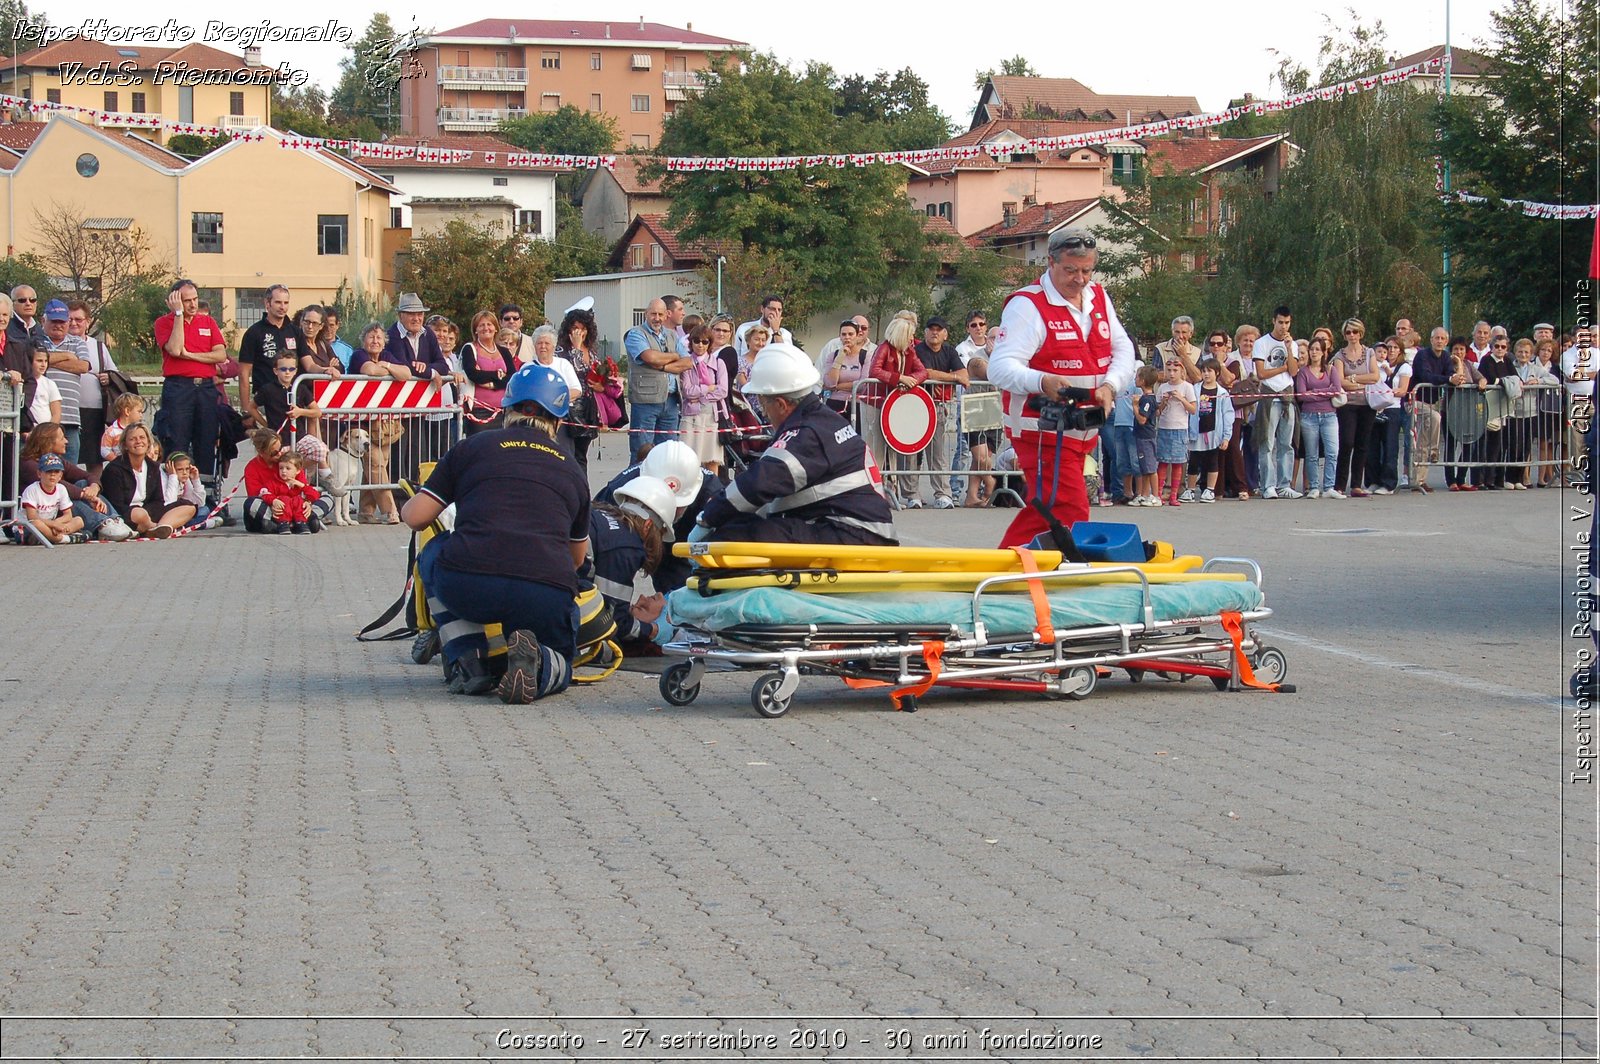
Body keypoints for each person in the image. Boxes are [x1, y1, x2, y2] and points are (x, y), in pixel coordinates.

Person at [401, 363, 591, 704]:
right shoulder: (572, 469)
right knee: (564, 659)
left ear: (505, 409)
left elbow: (416, 518)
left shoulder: (472, 447)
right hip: (542, 593)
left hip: (470, 582)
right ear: (559, 420)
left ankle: (469, 658)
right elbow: (576, 558)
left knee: (435, 551)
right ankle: (541, 663)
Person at [986, 227, 1135, 545]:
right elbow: (999, 368)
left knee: (1051, 511)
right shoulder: (1027, 305)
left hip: (1082, 430)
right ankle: (1010, 573)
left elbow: (1123, 349)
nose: (1080, 279)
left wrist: (1110, 385)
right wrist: (1041, 381)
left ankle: (1012, 571)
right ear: (1050, 263)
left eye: (1086, 270)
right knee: (1067, 507)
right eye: (1070, 270)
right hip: (1042, 431)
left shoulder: (1098, 297)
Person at [694, 344, 897, 546]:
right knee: (752, 525)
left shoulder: (805, 433)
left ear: (781, 404)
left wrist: (708, 516)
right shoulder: (824, 421)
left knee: (733, 536)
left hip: (852, 533)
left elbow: (761, 481)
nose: (764, 413)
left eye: (764, 405)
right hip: (859, 529)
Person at [596, 440, 720, 594]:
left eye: (677, 506)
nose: (668, 512)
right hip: (632, 533)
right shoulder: (620, 489)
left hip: (682, 548)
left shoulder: (713, 496)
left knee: (680, 596)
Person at [582, 476, 678, 651]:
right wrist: (653, 631)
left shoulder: (600, 513)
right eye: (660, 534)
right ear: (649, 525)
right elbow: (612, 619)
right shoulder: (626, 546)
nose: (641, 598)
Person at [154, 280, 227, 492]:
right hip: (179, 387)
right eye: (187, 301)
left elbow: (221, 354)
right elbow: (176, 350)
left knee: (206, 439)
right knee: (177, 439)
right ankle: (174, 491)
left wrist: (192, 355)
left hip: (205, 387)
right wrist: (178, 315)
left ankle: (205, 491)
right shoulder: (164, 322)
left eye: (195, 299)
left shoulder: (208, 322)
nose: (193, 305)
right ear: (175, 301)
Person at [17, 422, 130, 540]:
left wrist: (94, 487)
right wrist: (86, 495)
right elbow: (57, 484)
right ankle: (102, 524)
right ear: (48, 442)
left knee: (83, 483)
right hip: (41, 516)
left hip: (58, 515)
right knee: (72, 497)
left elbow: (87, 475)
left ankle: (115, 519)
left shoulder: (58, 460)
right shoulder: (29, 464)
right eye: (62, 438)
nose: (66, 441)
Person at [863, 315, 927, 509]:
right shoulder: (884, 348)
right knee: (876, 449)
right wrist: (900, 378)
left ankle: (890, 491)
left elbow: (923, 371)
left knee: (892, 450)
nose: (912, 339)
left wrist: (911, 380)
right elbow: (874, 372)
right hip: (875, 404)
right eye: (909, 335)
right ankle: (871, 492)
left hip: (893, 405)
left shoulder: (908, 352)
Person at [624, 297, 692, 457]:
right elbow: (649, 357)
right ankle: (640, 482)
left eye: (660, 314)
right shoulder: (635, 334)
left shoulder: (672, 335)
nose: (657, 318)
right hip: (645, 402)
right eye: (653, 314)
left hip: (671, 401)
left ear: (666, 315)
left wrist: (662, 366)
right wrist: (675, 356)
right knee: (642, 452)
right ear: (646, 314)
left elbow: (688, 362)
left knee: (668, 453)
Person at [913, 316, 969, 509]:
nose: (935, 332)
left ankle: (942, 494)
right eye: (931, 329)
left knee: (938, 454)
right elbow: (927, 373)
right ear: (925, 332)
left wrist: (949, 378)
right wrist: (952, 378)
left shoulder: (950, 351)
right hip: (915, 406)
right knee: (913, 452)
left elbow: (965, 375)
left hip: (937, 407)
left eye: (939, 329)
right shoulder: (919, 350)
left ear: (945, 334)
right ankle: (913, 495)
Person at [99, 422, 191, 538]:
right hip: (125, 514)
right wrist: (143, 514)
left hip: (146, 510)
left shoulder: (153, 467)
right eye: (132, 439)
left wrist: (149, 512)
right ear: (125, 445)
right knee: (139, 513)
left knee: (188, 506)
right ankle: (154, 527)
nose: (138, 441)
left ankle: (159, 527)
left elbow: (158, 500)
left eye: (142, 437)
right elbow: (116, 505)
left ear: (148, 443)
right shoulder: (114, 469)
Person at [1253, 306, 1300, 499]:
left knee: (1286, 444)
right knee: (1267, 443)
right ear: (1274, 321)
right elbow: (1262, 373)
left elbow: (1294, 371)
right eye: (1280, 322)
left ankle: (1284, 484)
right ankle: (1268, 485)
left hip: (1287, 396)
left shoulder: (1293, 345)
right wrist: (1283, 368)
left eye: (1287, 322)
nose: (1283, 326)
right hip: (1270, 396)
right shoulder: (1261, 343)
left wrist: (1289, 349)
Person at [65, 301, 116, 474]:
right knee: (66, 459)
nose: (73, 323)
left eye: (78, 319)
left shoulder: (99, 346)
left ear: (88, 321)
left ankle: (95, 494)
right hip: (67, 411)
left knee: (94, 459)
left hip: (93, 411)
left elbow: (114, 373)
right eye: (69, 319)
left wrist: (108, 377)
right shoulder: (58, 343)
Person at [1331, 318, 1380, 497]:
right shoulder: (1339, 356)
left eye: (1355, 332)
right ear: (1344, 335)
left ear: (1361, 333)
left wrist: (1353, 380)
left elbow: (1375, 376)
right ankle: (1340, 485)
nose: (1352, 335)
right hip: (1347, 404)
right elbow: (1340, 381)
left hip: (1367, 403)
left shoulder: (1369, 353)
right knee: (1346, 442)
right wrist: (1360, 381)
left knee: (1362, 444)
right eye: (1348, 332)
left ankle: (1356, 485)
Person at [237, 285, 297, 431]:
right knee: (269, 449)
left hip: (292, 401)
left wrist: (325, 369)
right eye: (278, 302)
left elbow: (307, 362)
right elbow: (244, 373)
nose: (282, 307)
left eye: (286, 303)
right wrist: (246, 411)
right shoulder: (254, 332)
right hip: (263, 403)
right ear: (267, 303)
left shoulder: (295, 331)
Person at [38, 300, 87, 465]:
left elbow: (83, 366)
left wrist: (46, 359)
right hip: (41, 419)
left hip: (71, 418)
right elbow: (32, 361)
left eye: (62, 321)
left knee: (69, 470)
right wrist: (67, 355)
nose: (58, 325)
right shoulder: (37, 340)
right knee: (40, 468)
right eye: (54, 321)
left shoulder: (78, 342)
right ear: (43, 321)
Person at [556, 304, 604, 475]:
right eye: (575, 328)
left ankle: (583, 492)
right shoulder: (561, 350)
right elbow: (572, 372)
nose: (579, 333)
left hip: (589, 409)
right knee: (568, 454)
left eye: (583, 329)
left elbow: (595, 375)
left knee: (582, 456)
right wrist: (575, 348)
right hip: (570, 409)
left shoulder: (591, 351)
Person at [1294, 336, 1344, 498]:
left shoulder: (1331, 370)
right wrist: (1324, 393)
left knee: (1332, 452)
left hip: (1329, 415)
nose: (1314, 352)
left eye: (1317, 349)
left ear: (1324, 352)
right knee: (1311, 453)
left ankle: (1329, 487)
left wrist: (1313, 393)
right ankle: (1314, 486)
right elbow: (1302, 395)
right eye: (1312, 349)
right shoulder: (1303, 372)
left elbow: (1336, 389)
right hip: (1309, 416)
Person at [678, 324, 728, 477]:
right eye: (697, 341)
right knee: (688, 460)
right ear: (691, 342)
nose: (700, 345)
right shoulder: (686, 363)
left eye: (705, 341)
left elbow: (723, 390)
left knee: (711, 460)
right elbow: (687, 391)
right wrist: (707, 388)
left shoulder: (718, 363)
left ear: (710, 343)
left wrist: (700, 397)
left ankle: (711, 492)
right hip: (690, 416)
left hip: (712, 416)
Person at [1365, 336, 1412, 495]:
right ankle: (1372, 480)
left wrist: (1388, 393)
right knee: (1372, 446)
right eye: (1388, 348)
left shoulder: (1403, 368)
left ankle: (1388, 483)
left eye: (1394, 348)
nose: (1390, 351)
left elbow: (1403, 389)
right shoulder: (1375, 366)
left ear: (1400, 350)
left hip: (1392, 408)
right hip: (1375, 407)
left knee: (1390, 446)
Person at [1185, 358, 1232, 503]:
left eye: (1209, 371)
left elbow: (1227, 415)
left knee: (1213, 461)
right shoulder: (1195, 389)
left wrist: (1226, 437)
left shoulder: (1222, 393)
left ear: (1217, 373)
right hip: (1196, 432)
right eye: (1204, 371)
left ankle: (1210, 490)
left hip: (1214, 433)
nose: (1206, 374)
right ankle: (1190, 490)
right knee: (1193, 462)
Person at [461, 310, 513, 433]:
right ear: (475, 330)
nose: (486, 328)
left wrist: (491, 384)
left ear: (496, 328)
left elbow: (512, 377)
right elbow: (474, 375)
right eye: (481, 325)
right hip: (478, 412)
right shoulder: (470, 349)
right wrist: (498, 374)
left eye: (489, 324)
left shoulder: (504, 351)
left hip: (503, 410)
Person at [18, 452, 86, 544]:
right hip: (27, 528)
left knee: (78, 520)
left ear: (60, 475)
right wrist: (54, 524)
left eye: (56, 472)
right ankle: (63, 539)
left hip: (51, 525)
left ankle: (48, 536)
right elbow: (32, 517)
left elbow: (68, 515)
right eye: (48, 471)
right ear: (39, 473)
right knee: (37, 524)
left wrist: (57, 523)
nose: (52, 475)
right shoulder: (32, 490)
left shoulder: (61, 489)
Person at [1154, 359, 1196, 507]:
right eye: (1169, 370)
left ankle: (1173, 495)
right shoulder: (1162, 387)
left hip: (1180, 428)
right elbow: (1157, 412)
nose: (1171, 374)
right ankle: (1158, 494)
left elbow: (1192, 409)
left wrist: (1181, 399)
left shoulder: (1187, 387)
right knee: (1163, 462)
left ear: (1181, 371)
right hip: (1165, 428)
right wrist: (1164, 402)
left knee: (1178, 463)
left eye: (1175, 371)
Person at [255, 449, 320, 535]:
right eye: (281, 468)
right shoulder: (274, 482)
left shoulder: (298, 483)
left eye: (288, 468)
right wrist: (273, 500)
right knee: (284, 499)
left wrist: (303, 488)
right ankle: (283, 524)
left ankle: (301, 523)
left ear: (297, 471)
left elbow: (314, 495)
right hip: (281, 512)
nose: (284, 471)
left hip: (297, 513)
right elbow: (264, 493)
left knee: (299, 500)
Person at [819, 319, 871, 417]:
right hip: (834, 403)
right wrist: (840, 358)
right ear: (840, 337)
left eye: (850, 334)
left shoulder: (866, 357)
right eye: (844, 334)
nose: (847, 337)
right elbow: (829, 383)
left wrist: (837, 387)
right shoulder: (833, 356)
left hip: (856, 404)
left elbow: (862, 385)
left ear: (857, 336)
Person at [1129, 366, 1161, 506]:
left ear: (1142, 381)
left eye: (1137, 377)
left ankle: (1155, 496)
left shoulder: (1146, 399)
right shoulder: (1147, 398)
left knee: (1150, 467)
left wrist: (1135, 405)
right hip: (1142, 436)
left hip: (1146, 436)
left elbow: (1142, 419)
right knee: (1144, 467)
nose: (1135, 379)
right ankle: (1144, 494)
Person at [1152, 315, 1201, 380]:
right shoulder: (1160, 348)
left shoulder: (1197, 352)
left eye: (1184, 332)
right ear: (1172, 332)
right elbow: (1156, 375)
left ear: (1190, 334)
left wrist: (1183, 355)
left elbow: (1198, 378)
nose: (1180, 336)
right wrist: (1185, 377)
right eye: (1177, 332)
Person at [23, 349, 60, 431]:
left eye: (46, 361)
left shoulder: (50, 383)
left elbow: (56, 414)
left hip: (46, 432)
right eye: (39, 361)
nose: (43, 365)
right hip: (27, 431)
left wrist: (48, 431)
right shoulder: (23, 382)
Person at [323, 307, 354, 371]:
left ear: (337, 325)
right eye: (325, 326)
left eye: (331, 325)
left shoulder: (347, 350)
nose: (328, 329)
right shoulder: (313, 347)